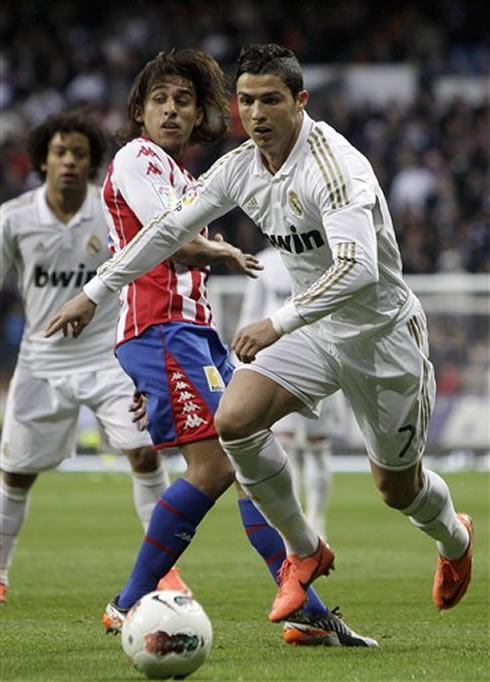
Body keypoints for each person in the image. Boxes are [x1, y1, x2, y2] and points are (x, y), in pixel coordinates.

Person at [47, 42, 474, 632]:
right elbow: (166, 231)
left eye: (270, 100)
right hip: (317, 331)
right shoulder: (239, 168)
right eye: (245, 101)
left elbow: (359, 268)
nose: (256, 113)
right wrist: (94, 293)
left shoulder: (336, 167)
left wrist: (277, 322)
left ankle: (454, 538)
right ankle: (303, 550)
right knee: (236, 420)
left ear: (300, 102)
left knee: (397, 489)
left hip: (380, 337)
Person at [0, 110, 193, 606]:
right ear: (43, 159)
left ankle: (166, 576)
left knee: (144, 454)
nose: (68, 161)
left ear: (91, 165)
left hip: (108, 359)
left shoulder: (106, 210)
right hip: (40, 363)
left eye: (78, 154)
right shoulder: (13, 218)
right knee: (15, 474)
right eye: (59, 152)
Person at [238, 245, 348, 539]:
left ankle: (318, 520)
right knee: (284, 445)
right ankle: (296, 523)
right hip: (275, 358)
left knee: (316, 444)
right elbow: (250, 313)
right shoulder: (264, 262)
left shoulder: (326, 256)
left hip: (321, 354)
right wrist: (240, 358)